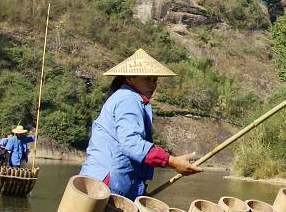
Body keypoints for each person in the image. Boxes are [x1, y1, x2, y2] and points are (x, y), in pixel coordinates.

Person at [79, 48, 202, 200]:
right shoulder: (128, 99)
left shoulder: (125, 97)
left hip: (104, 182)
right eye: (147, 79)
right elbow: (132, 144)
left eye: (155, 80)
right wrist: (171, 161)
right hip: (106, 184)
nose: (152, 84)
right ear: (130, 78)